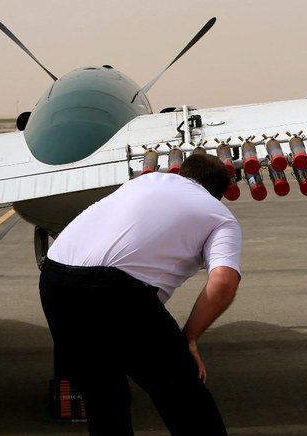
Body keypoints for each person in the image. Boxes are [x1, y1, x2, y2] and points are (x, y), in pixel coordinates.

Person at [39, 153, 241, 435]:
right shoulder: (218, 215)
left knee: (103, 397)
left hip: (55, 277)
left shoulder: (140, 183)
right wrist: (189, 339)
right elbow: (223, 281)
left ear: (182, 173)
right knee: (184, 399)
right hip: (115, 291)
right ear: (219, 193)